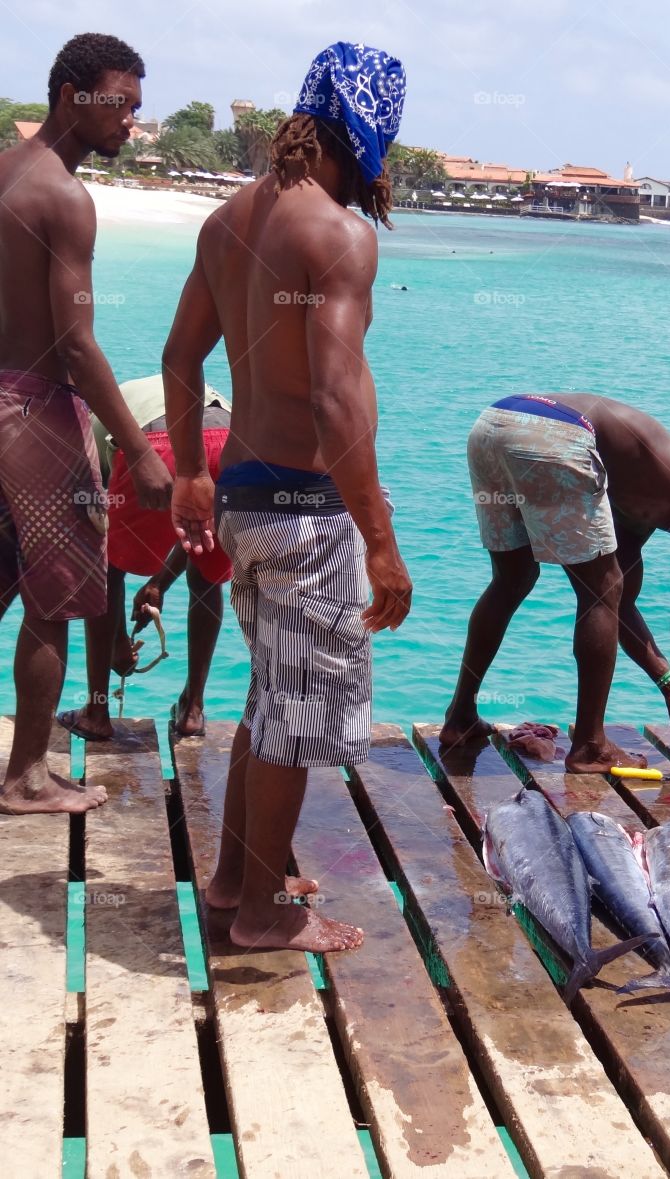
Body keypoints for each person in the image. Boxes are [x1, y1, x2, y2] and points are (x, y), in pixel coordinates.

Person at [164, 43, 412, 954]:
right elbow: (336, 397)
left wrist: (192, 470)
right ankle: (265, 914)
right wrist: (379, 540)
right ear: (368, 129)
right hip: (308, 511)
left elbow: (180, 357)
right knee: (298, 717)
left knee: (272, 698)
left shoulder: (230, 218)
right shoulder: (339, 236)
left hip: (242, 495)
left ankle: (237, 879)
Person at [0, 34, 171, 815]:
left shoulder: (5, 169)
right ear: (72, 94)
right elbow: (74, 342)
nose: (131, 123)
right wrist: (139, 449)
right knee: (55, 597)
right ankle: (26, 775)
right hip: (35, 410)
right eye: (120, 104)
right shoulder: (65, 197)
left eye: (136, 108)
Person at [439, 394, 670, 772]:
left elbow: (619, 608)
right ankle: (589, 746)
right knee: (598, 591)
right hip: (558, 434)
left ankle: (460, 716)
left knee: (513, 578)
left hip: (495, 423)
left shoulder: (640, 490)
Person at [57, 374, 232, 741]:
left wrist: (118, 645)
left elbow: (103, 553)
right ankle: (192, 710)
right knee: (206, 574)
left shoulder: (89, 427)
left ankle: (96, 711)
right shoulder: (135, 392)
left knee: (106, 569)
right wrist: (158, 584)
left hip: (159, 442)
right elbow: (193, 533)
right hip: (229, 443)